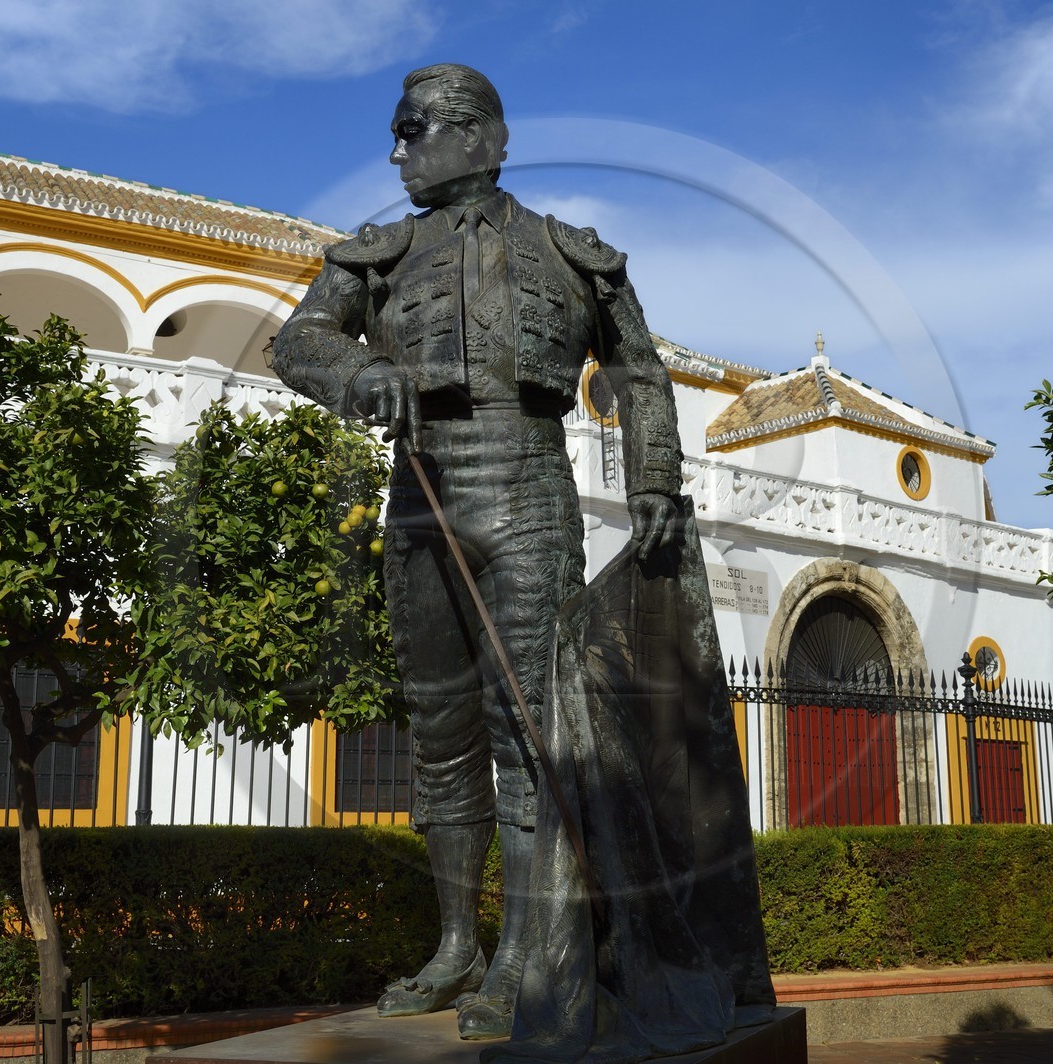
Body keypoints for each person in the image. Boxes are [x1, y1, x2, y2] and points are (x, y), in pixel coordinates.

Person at [271, 62, 682, 1041]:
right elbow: (296, 341)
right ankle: (458, 940)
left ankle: (522, 956)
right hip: (420, 495)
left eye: (410, 130)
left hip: (529, 491)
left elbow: (639, 369)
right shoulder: (380, 252)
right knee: (442, 727)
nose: (396, 150)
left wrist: (653, 479)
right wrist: (362, 372)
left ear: (475, 138)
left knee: (530, 731)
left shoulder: (571, 254)